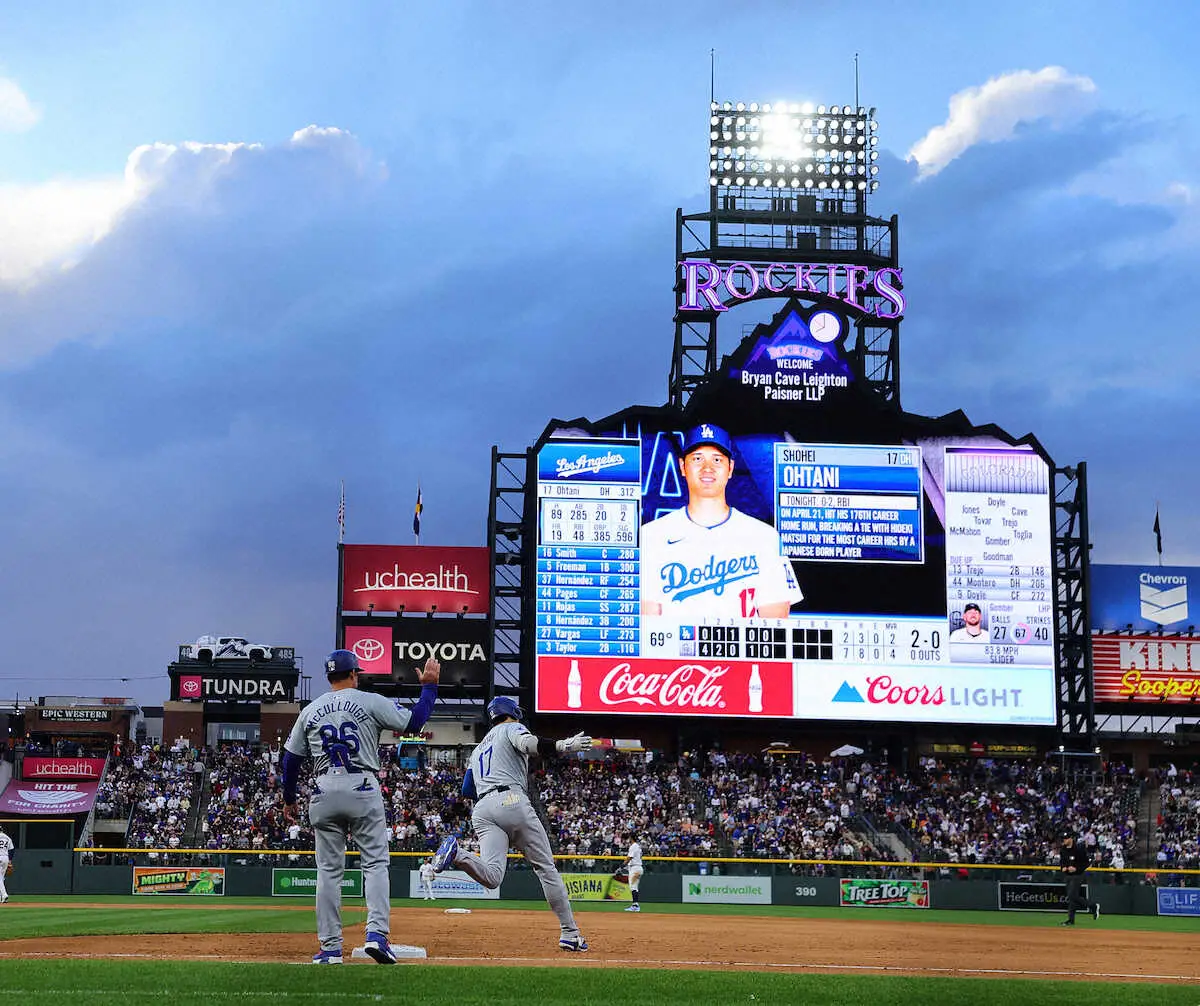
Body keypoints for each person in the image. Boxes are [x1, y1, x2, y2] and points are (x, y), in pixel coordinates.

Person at [281, 648, 441, 964]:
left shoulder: (310, 710)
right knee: (375, 864)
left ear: (329, 676)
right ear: (355, 673)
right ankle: (377, 937)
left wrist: (288, 799)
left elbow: (290, 761)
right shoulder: (368, 700)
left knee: (328, 872)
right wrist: (430, 685)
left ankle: (329, 950)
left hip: (323, 789)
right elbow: (415, 722)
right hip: (362, 785)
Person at [432, 696, 592, 952]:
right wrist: (564, 745)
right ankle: (570, 934)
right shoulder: (512, 727)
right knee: (546, 869)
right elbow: (530, 744)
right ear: (513, 712)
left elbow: (466, 788)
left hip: (482, 810)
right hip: (511, 799)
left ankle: (459, 854)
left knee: (493, 877)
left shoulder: (478, 749)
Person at [640, 423, 803, 618]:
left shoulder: (763, 537)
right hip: (676, 647)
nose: (707, 468)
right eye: (697, 459)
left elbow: (775, 625)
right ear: (683, 466)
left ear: (730, 468)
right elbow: (648, 623)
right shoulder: (652, 536)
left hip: (741, 648)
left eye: (717, 459)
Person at [1058, 830, 1100, 926]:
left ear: (1070, 839)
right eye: (1063, 838)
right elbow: (1062, 862)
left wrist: (1076, 868)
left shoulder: (1079, 849)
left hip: (1078, 875)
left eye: (1066, 838)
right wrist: (1063, 867)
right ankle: (1071, 920)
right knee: (1072, 898)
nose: (1064, 840)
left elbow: (1086, 863)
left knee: (1072, 895)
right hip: (1068, 875)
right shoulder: (1063, 849)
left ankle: (1093, 906)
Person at [623, 834, 643, 913]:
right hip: (637, 868)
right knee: (635, 887)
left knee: (633, 887)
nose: (628, 839)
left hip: (635, 868)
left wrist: (622, 866)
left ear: (631, 838)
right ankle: (635, 905)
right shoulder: (637, 846)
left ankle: (635, 905)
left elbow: (629, 858)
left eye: (629, 838)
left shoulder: (633, 846)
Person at [0, 823, 12, 903]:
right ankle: (1, 896)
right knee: (1, 877)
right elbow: (12, 850)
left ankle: (4, 895)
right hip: (5, 857)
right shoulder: (7, 838)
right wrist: (10, 861)